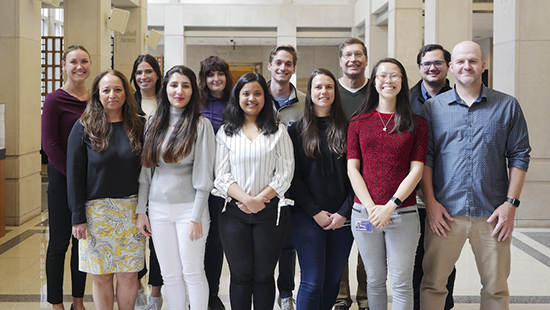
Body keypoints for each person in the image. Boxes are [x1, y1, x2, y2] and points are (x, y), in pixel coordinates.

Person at [420, 41, 531, 310]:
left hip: (493, 215)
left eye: (472, 61)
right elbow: (425, 159)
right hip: (445, 214)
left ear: (483, 64)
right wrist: (431, 205)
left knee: (495, 288)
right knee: (433, 284)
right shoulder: (433, 109)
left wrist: (510, 205)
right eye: (460, 61)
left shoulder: (507, 106)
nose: (466, 66)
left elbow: (520, 155)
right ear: (450, 67)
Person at [348, 58, 427, 309]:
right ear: (374, 82)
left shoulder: (416, 123)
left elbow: (417, 170)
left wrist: (390, 206)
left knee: (402, 282)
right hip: (365, 213)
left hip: (402, 213)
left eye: (395, 76)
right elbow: (352, 168)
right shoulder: (358, 122)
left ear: (402, 82)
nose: (388, 81)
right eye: (382, 76)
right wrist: (373, 208)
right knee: (374, 280)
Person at [136, 65, 215, 310]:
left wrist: (196, 217)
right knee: (170, 274)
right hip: (158, 210)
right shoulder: (153, 123)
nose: (179, 91)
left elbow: (204, 177)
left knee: (192, 272)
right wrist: (142, 210)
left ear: (193, 91)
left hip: (190, 210)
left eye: (185, 85)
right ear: (165, 88)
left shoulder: (201, 126)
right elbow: (146, 172)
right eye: (173, 85)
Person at [213, 73, 294, 310]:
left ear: (265, 97)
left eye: (257, 93)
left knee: (263, 275)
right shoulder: (226, 132)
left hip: (270, 214)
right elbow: (221, 176)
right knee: (240, 275)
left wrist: (260, 199)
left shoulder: (278, 131)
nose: (251, 98)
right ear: (237, 97)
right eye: (245, 93)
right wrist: (248, 200)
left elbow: (285, 173)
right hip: (233, 214)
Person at [67, 69, 146, 310]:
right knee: (101, 275)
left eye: (118, 89)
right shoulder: (83, 127)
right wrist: (77, 217)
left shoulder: (140, 125)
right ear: (97, 94)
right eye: (106, 90)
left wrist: (145, 209)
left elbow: (149, 172)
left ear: (126, 93)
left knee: (129, 274)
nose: (112, 95)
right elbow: (74, 176)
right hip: (96, 213)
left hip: (132, 211)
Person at [288, 68, 354, 310]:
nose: (323, 91)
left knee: (332, 281)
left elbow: (358, 175)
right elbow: (293, 179)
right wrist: (315, 211)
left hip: (343, 216)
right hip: (306, 215)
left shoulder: (350, 129)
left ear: (335, 92)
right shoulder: (296, 131)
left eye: (328, 87)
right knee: (312, 281)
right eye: (318, 87)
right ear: (310, 92)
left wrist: (344, 212)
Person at [42, 44, 90, 310]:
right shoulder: (54, 100)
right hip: (62, 181)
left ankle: (78, 301)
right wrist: (73, 177)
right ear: (64, 65)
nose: (79, 66)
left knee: (80, 244)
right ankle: (56, 303)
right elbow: (49, 145)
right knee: (59, 244)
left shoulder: (95, 100)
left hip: (88, 182)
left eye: (84, 61)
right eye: (73, 61)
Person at [408, 44, 455, 310]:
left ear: (447, 66)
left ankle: (443, 306)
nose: (432, 68)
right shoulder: (406, 99)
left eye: (438, 63)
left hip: (447, 193)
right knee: (414, 259)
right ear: (419, 68)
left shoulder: (460, 96)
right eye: (427, 64)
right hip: (411, 196)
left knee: (443, 260)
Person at [266, 44, 305, 310]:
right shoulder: (255, 97)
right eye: (278, 62)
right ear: (270, 65)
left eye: (288, 63)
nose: (283, 68)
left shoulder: (305, 101)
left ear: (293, 68)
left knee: (288, 245)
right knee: (264, 244)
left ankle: (286, 292)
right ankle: (264, 291)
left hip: (294, 183)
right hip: (261, 184)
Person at [334, 38, 369, 310]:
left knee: (368, 242)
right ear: (340, 60)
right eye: (348, 55)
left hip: (370, 177)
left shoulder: (377, 90)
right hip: (336, 176)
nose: (353, 59)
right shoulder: (330, 90)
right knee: (339, 240)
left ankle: (366, 298)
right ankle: (341, 298)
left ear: (366, 59)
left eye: (358, 54)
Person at [198, 55, 234, 310]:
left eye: (220, 74)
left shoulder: (234, 103)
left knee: (216, 240)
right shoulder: (195, 103)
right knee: (196, 238)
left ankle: (212, 293)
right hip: (196, 181)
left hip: (223, 183)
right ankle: (197, 293)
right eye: (210, 74)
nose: (215, 79)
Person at [129, 54, 164, 310]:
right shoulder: (129, 103)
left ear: (157, 74)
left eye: (149, 71)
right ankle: (138, 285)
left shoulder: (167, 101)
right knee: (136, 238)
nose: (144, 77)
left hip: (160, 177)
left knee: (158, 239)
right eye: (139, 72)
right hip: (132, 178)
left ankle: (155, 291)